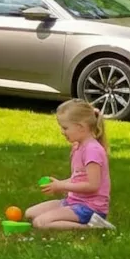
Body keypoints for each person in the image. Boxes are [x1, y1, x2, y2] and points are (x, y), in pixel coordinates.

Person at [25, 99, 116, 231]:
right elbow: (79, 178)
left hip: (90, 208)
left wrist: (61, 186)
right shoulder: (79, 146)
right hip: (74, 202)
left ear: (81, 127)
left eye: (65, 128)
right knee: (30, 214)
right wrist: (58, 184)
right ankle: (79, 220)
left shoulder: (92, 151)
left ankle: (94, 227)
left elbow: (93, 185)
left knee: (40, 223)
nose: (62, 131)